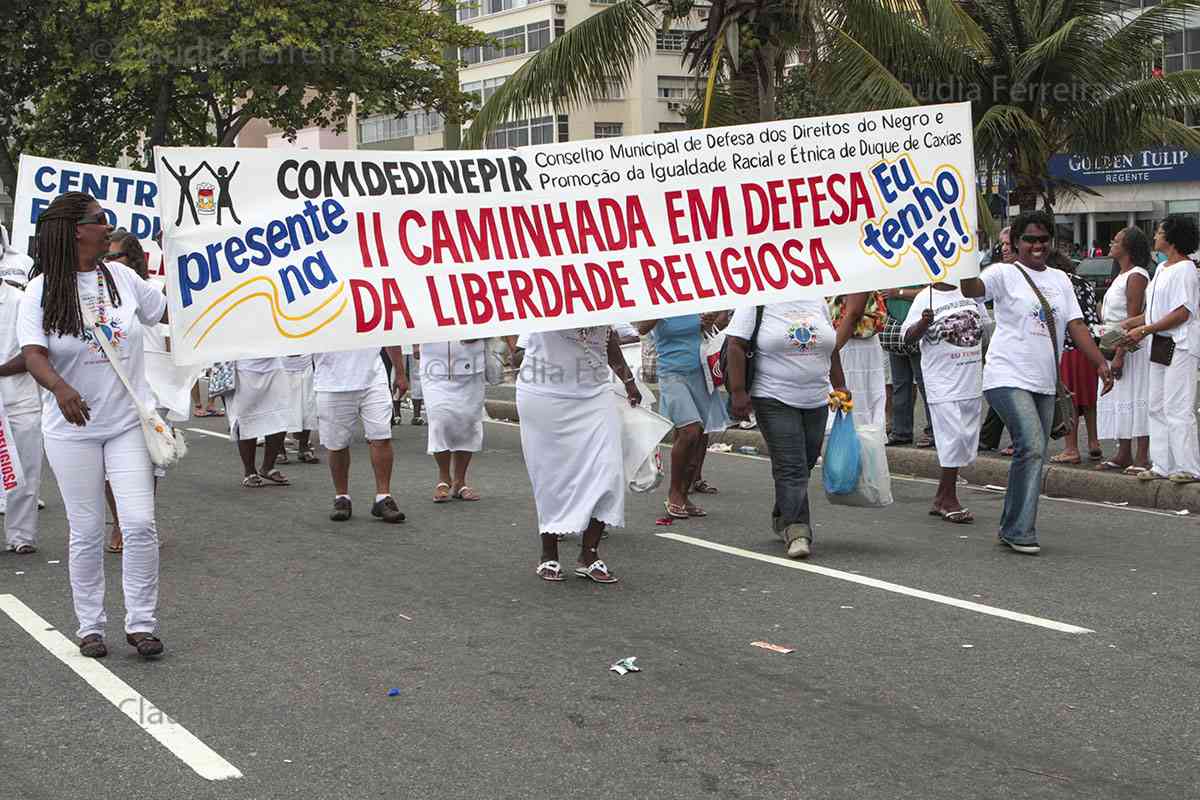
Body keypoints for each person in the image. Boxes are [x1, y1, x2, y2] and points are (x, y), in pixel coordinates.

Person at [18, 192, 169, 658]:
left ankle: (141, 623)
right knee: (84, 530)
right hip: (72, 429)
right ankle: (91, 626)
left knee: (140, 523)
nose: (109, 228)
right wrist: (60, 389)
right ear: (76, 230)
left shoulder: (122, 277)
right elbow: (33, 355)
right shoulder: (40, 290)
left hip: (126, 422)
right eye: (101, 221)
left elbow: (168, 312)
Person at [960, 211, 1113, 555]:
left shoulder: (1061, 279)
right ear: (1015, 242)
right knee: (1030, 444)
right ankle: (1020, 530)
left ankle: (1010, 524)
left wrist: (1100, 362)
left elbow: (1076, 325)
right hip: (1006, 375)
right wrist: (963, 256)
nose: (1037, 245)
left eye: (1043, 239)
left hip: (1046, 382)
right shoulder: (1003, 273)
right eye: (1029, 239)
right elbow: (972, 289)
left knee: (1035, 452)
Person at [517, 326, 640, 583]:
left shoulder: (603, 289)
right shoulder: (540, 289)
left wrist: (629, 380)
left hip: (595, 393)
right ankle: (549, 552)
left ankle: (589, 554)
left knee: (609, 468)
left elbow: (610, 339)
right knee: (551, 474)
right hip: (543, 393)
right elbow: (518, 352)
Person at [725, 300, 846, 558]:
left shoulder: (818, 299)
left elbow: (831, 348)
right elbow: (736, 345)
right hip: (772, 396)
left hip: (816, 398)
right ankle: (797, 531)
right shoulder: (757, 300)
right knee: (791, 465)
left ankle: (783, 515)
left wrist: (840, 385)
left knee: (806, 461)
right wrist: (737, 391)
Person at [1117, 215, 1200, 483]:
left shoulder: (1186, 269)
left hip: (1180, 344)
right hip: (1160, 343)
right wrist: (1134, 322)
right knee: (1156, 405)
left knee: (1178, 406)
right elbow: (1156, 312)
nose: (1155, 235)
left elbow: (1182, 313)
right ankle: (1163, 464)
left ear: (1172, 238)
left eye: (1160, 231)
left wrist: (1145, 329)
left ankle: (1188, 467)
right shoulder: (1162, 268)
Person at [902, 283, 986, 523]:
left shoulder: (970, 292)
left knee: (965, 441)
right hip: (943, 381)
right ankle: (948, 499)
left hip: (970, 379)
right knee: (954, 437)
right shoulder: (924, 297)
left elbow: (984, 329)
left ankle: (941, 497)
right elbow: (906, 337)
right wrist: (923, 324)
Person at [635, 313, 728, 519]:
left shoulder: (696, 301)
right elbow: (642, 327)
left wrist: (710, 321)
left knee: (698, 437)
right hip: (672, 375)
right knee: (689, 431)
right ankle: (674, 494)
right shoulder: (660, 301)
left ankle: (685, 495)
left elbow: (718, 322)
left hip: (701, 375)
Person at [314, 346, 408, 522]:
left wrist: (400, 372)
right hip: (331, 383)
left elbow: (389, 334)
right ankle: (342, 497)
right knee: (337, 444)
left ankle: (383, 497)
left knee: (381, 437)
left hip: (373, 379)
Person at [1095, 227, 1151, 474]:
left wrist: (1119, 355)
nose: (1111, 243)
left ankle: (1141, 456)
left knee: (1136, 397)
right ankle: (1123, 453)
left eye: (1116, 240)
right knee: (1121, 400)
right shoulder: (1121, 274)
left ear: (1128, 248)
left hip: (1131, 349)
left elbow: (1133, 317)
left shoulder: (1136, 276)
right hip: (1113, 343)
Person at [0, 249, 43, 555]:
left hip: (19, 399)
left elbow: (33, 351)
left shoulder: (19, 300)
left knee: (25, 470)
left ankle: (21, 535)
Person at [1050, 253, 1104, 464]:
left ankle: (1071, 448)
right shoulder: (1085, 283)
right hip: (1089, 346)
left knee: (1068, 399)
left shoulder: (1058, 285)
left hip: (1068, 346)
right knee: (1089, 400)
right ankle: (1094, 443)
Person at [421, 340, 486, 502]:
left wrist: (477, 333)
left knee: (468, 422)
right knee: (439, 420)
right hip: (434, 368)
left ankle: (460, 482)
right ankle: (444, 477)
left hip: (471, 366)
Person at [881, 285, 933, 447]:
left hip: (918, 327)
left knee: (925, 385)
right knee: (900, 384)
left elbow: (931, 290)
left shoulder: (920, 263)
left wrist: (899, 293)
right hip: (896, 328)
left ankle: (933, 431)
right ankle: (901, 431)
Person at [227, 357, 291, 487]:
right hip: (243, 369)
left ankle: (268, 467)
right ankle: (249, 472)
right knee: (245, 419)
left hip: (274, 367)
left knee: (279, 417)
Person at [830, 292, 887, 430]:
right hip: (843, 343)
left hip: (853, 345)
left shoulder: (855, 274)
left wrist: (832, 351)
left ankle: (855, 448)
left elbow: (853, 314)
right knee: (850, 407)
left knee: (857, 411)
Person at [979, 226, 1013, 453]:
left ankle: (994, 437)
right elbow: (976, 292)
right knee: (1000, 390)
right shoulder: (998, 272)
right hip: (1003, 344)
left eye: (1009, 244)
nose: (1005, 249)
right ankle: (988, 436)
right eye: (1003, 245)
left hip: (1023, 348)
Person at [282, 354, 319, 464]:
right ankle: (279, 450)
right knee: (281, 409)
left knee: (307, 408)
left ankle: (304, 448)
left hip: (305, 363)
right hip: (281, 365)